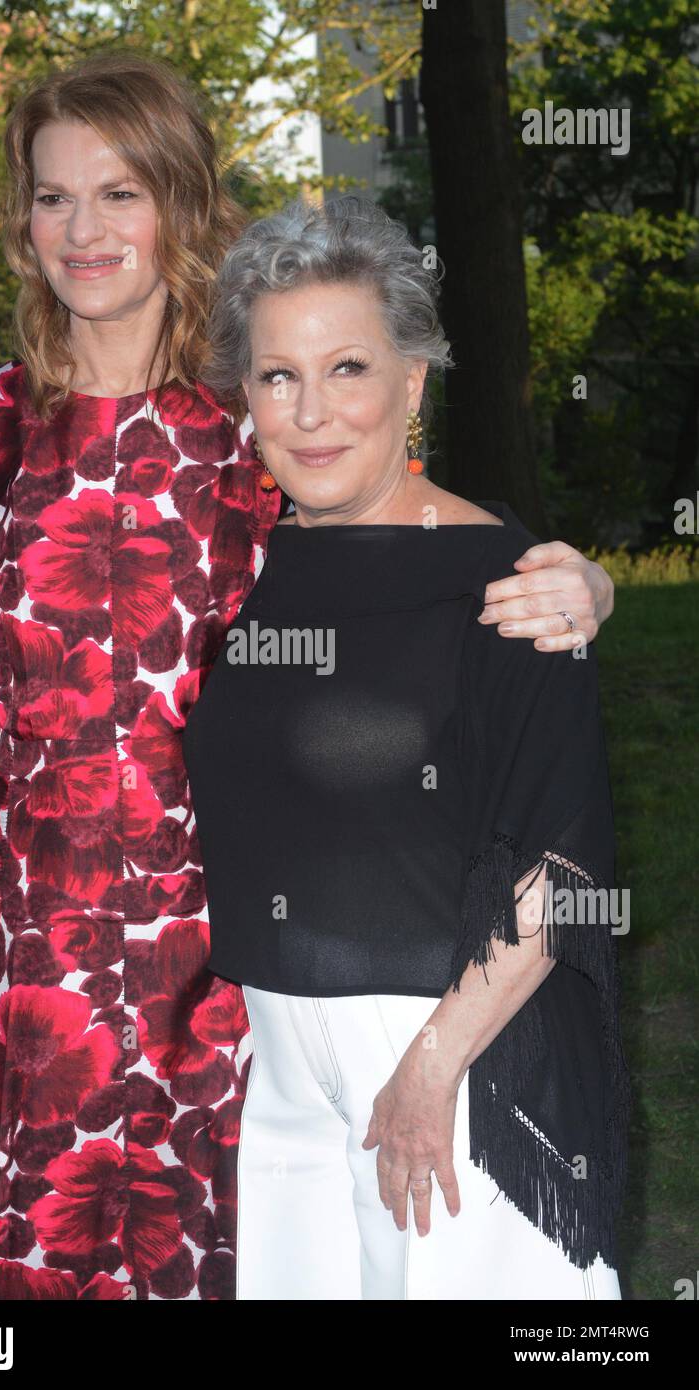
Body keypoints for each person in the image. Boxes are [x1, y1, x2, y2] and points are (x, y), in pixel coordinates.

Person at [0, 52, 617, 1303]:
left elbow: (404, 535)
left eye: (119, 193)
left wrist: (579, 583)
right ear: (21, 218)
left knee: (245, 1257)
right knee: (39, 1259)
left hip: (223, 945)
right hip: (27, 923)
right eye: (53, 196)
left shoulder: (249, 416)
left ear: (177, 202)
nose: (83, 229)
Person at [181, 195, 632, 1300]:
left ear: (415, 381)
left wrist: (434, 1067)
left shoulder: (512, 583)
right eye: (279, 375)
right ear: (247, 392)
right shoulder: (231, 563)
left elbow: (566, 878)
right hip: (279, 1060)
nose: (311, 411)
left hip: (456, 1051)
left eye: (348, 368)